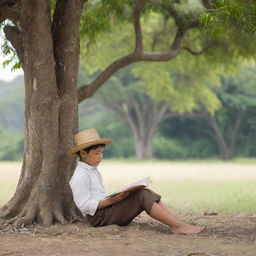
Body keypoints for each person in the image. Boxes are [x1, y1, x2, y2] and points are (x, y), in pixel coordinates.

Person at [69, 128, 204, 234]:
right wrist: (113, 200)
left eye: (101, 153)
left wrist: (119, 196)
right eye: (96, 153)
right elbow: (84, 205)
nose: (100, 157)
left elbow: (98, 195)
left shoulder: (92, 170)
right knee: (142, 196)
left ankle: (178, 223)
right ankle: (177, 226)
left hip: (106, 210)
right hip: (98, 218)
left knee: (145, 191)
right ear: (82, 153)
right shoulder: (80, 175)